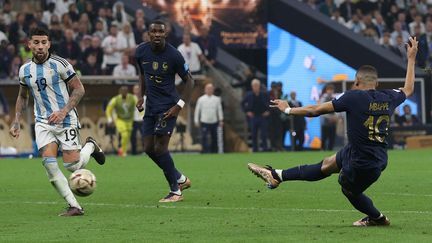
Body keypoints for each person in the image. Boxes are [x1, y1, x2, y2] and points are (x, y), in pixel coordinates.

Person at [248, 37, 418, 227]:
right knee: (327, 164)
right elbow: (408, 89)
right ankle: (277, 175)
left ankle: (378, 218)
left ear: (356, 81)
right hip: (372, 155)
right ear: (377, 83)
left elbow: (315, 110)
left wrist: (288, 110)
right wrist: (411, 59)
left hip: (363, 161)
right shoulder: (388, 96)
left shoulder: (353, 97)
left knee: (348, 189)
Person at [9, 27, 105, 217]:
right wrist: (17, 120)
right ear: (29, 45)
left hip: (66, 119)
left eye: (44, 42)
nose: (40, 46)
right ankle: (74, 206)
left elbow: (79, 89)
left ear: (49, 44)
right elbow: (22, 96)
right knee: (49, 164)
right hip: (43, 122)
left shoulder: (60, 64)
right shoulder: (24, 70)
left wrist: (63, 111)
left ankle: (90, 147)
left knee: (72, 166)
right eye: (36, 42)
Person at [135, 20, 194, 202]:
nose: (157, 34)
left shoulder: (174, 55)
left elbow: (190, 81)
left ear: (165, 34)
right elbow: (143, 75)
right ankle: (180, 178)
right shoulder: (141, 51)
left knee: (161, 148)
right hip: (151, 106)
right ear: (148, 33)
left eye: (160, 31)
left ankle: (175, 191)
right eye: (154, 31)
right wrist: (141, 96)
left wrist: (178, 107)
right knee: (148, 148)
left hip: (168, 107)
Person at [106, 86, 137, 157]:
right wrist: (109, 119)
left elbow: (139, 105)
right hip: (120, 120)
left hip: (130, 120)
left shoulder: (133, 98)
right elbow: (108, 109)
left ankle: (122, 150)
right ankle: (123, 152)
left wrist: (141, 115)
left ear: (127, 92)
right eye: (122, 92)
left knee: (127, 136)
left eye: (125, 92)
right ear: (120, 93)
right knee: (124, 134)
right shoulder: (115, 99)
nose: (123, 93)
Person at [194, 83, 223, 153]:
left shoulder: (217, 99)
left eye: (211, 89)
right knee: (204, 137)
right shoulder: (201, 99)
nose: (209, 90)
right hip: (204, 121)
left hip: (214, 121)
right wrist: (196, 121)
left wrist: (221, 120)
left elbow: (219, 110)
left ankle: (214, 151)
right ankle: (205, 151)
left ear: (213, 90)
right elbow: (197, 110)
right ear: (205, 90)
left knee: (214, 137)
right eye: (208, 89)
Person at [241, 79, 270, 152]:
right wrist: (247, 112)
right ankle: (255, 150)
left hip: (262, 117)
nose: (256, 87)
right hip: (253, 117)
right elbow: (242, 104)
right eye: (254, 86)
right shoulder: (248, 94)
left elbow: (270, 104)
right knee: (254, 134)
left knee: (264, 134)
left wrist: (268, 111)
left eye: (257, 85)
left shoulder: (264, 94)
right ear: (252, 86)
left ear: (259, 86)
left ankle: (265, 149)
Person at [320, 84, 338, 150]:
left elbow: (337, 110)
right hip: (325, 122)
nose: (330, 91)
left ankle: (330, 150)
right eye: (329, 90)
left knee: (332, 138)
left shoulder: (335, 98)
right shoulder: (323, 99)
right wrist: (330, 117)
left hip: (333, 123)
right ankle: (322, 150)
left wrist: (335, 117)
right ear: (326, 90)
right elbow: (321, 111)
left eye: (332, 90)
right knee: (324, 137)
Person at [131, 84, 146, 155]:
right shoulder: (131, 98)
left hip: (142, 120)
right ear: (133, 91)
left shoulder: (144, 98)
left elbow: (145, 108)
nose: (137, 91)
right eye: (135, 89)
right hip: (134, 120)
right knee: (133, 136)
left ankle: (145, 151)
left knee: (144, 136)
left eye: (138, 89)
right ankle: (133, 152)